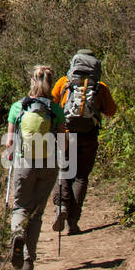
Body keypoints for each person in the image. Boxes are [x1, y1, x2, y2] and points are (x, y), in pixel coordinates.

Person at [5, 65, 65, 270]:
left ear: (32, 81)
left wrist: (11, 154)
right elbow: (63, 143)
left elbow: (10, 142)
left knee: (20, 206)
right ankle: (29, 263)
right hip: (47, 165)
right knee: (37, 214)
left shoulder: (17, 107)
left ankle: (17, 233)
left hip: (24, 164)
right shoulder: (55, 110)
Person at [51, 49, 116, 235]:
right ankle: (72, 222)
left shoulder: (65, 82)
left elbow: (52, 104)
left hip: (66, 133)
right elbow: (111, 110)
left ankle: (61, 208)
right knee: (80, 177)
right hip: (89, 135)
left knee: (64, 171)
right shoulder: (100, 86)